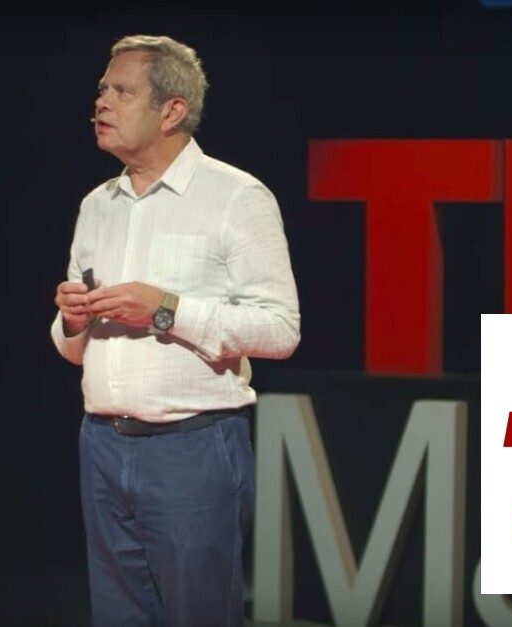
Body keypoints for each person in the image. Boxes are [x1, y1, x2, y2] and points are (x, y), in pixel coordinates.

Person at [50, 34, 301, 627]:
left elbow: (280, 329)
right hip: (101, 443)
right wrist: (72, 319)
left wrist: (166, 309)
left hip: (192, 448)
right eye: (101, 90)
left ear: (172, 111)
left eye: (121, 91)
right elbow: (73, 349)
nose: (101, 103)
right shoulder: (97, 204)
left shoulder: (235, 197)